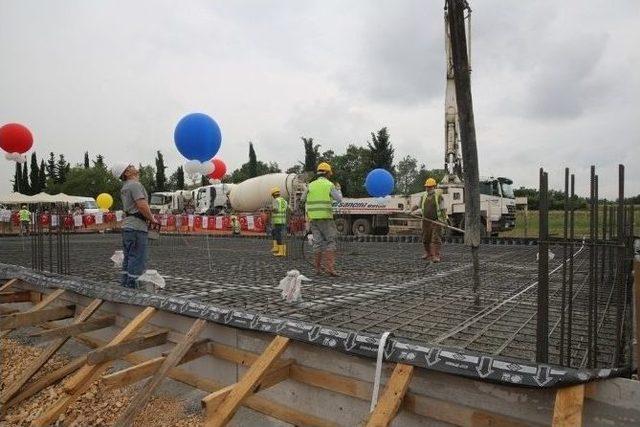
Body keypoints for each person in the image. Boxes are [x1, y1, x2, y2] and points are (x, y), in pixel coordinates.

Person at [111, 163, 158, 289]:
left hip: (128, 227)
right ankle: (133, 290)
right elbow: (142, 205)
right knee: (137, 260)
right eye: (130, 166)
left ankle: (125, 287)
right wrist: (152, 219)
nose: (133, 166)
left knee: (129, 259)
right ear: (126, 173)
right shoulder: (135, 185)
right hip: (137, 227)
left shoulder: (125, 187)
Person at [301, 162, 342, 275]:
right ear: (327, 173)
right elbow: (339, 199)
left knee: (317, 243)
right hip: (326, 218)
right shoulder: (329, 185)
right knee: (331, 242)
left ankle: (318, 269)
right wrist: (338, 189)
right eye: (330, 173)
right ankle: (330, 269)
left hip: (314, 219)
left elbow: (303, 199)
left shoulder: (311, 185)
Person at [412, 177, 446, 262]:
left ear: (434, 187)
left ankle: (436, 256)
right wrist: (411, 210)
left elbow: (443, 209)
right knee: (425, 238)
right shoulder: (423, 196)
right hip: (425, 221)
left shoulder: (439, 197)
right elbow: (418, 206)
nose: (428, 188)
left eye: (430, 187)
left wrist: (443, 220)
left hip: (436, 221)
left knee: (435, 239)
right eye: (427, 187)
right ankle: (428, 253)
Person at [270, 187, 288, 257]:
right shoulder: (284, 201)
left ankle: (281, 251)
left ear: (273, 195)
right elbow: (287, 209)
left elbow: (276, 210)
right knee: (277, 234)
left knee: (278, 235)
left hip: (278, 221)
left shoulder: (275, 200)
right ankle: (277, 248)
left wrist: (271, 210)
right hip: (283, 220)